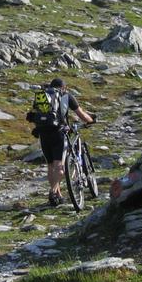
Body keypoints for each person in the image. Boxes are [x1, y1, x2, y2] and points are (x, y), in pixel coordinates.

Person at [33, 78, 94, 206]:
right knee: (59, 166)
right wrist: (91, 120)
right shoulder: (66, 96)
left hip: (43, 134)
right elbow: (81, 114)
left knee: (50, 165)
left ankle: (58, 196)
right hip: (58, 134)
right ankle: (53, 191)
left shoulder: (44, 96)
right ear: (64, 87)